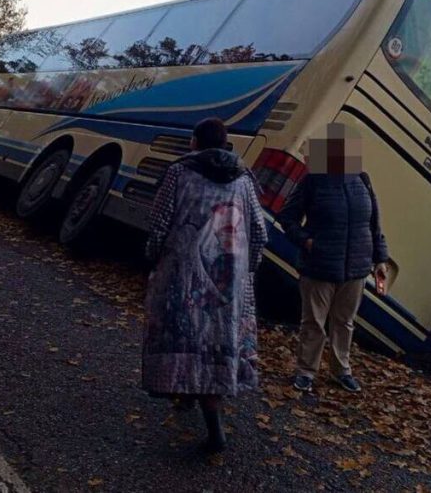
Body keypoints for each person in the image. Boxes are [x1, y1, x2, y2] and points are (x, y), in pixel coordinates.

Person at [142, 117, 267, 453]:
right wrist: (247, 271)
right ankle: (197, 407)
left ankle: (209, 423)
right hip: (230, 281)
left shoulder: (178, 172)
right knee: (215, 344)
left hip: (182, 273)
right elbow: (259, 232)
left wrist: (153, 255)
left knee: (185, 336)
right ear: (226, 144)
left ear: (194, 141)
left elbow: (160, 222)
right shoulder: (244, 180)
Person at [279, 123, 389, 394]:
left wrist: (380, 259)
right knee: (313, 322)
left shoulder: (362, 179)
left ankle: (341, 370)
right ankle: (306, 371)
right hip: (319, 265)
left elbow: (374, 224)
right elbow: (287, 218)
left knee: (344, 322)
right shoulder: (313, 180)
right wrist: (307, 241)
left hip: (356, 268)